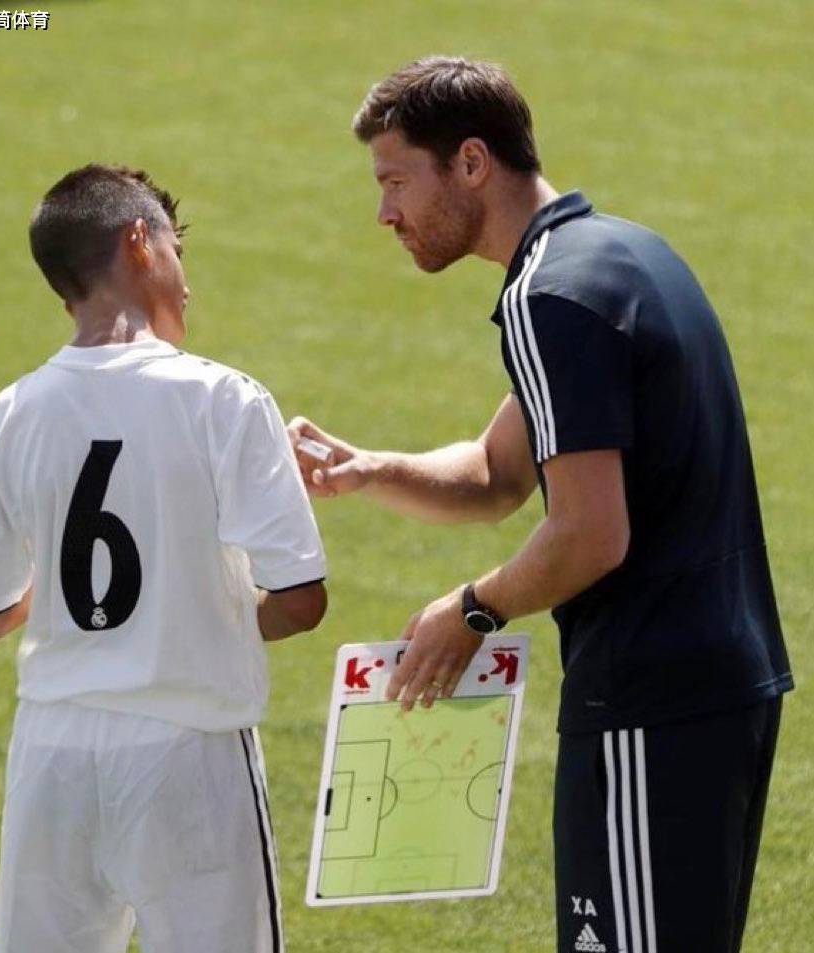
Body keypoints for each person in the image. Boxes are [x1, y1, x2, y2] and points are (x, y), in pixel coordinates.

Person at [289, 57, 792, 953]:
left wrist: (471, 610)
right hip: (716, 686)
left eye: (395, 182)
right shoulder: (623, 256)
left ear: (470, 162)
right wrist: (370, 469)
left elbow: (590, 534)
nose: (384, 214)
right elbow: (497, 472)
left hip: (652, 699)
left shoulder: (548, 297)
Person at [0, 163, 326, 953]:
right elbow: (301, 599)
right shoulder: (225, 400)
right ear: (140, 243)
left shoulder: (5, 415)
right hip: (191, 754)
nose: (188, 281)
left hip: (51, 755)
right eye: (179, 251)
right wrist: (201, 598)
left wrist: (52, 592)